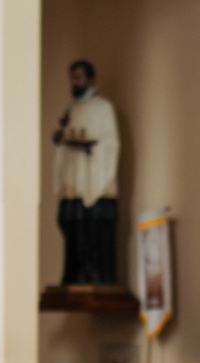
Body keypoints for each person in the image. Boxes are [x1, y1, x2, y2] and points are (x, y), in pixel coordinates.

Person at [52, 60, 120, 285]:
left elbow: (110, 144)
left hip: (94, 183)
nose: (74, 82)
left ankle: (98, 276)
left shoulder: (103, 108)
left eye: (78, 77)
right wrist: (60, 141)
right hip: (75, 183)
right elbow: (64, 142)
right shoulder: (71, 110)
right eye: (72, 78)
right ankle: (75, 276)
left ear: (90, 79)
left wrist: (89, 147)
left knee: (96, 233)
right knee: (71, 226)